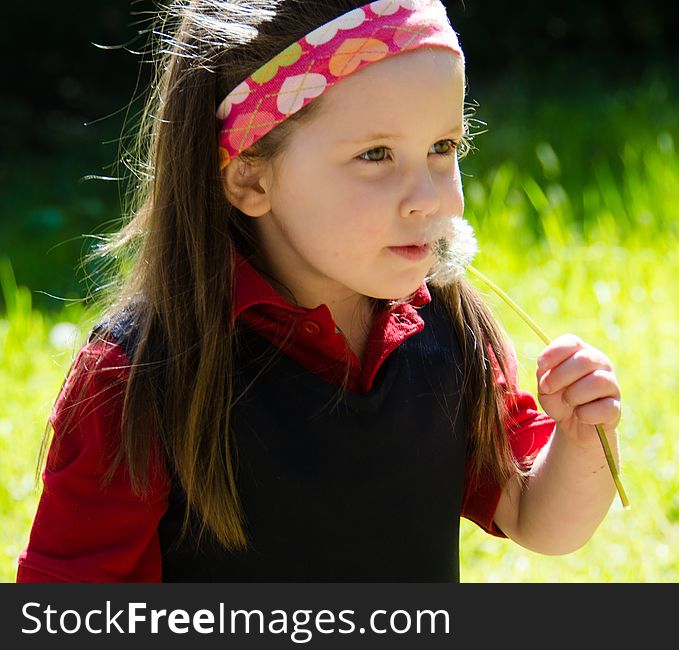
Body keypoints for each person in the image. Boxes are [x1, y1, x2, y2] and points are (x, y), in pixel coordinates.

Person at [17, 0, 622, 582]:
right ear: (251, 178)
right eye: (376, 155)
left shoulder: (448, 329)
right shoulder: (139, 378)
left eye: (443, 148)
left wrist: (579, 440)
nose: (429, 197)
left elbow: (536, 518)